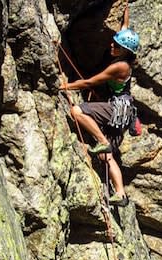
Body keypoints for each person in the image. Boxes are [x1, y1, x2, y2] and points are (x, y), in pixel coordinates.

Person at [59, 4, 139, 206]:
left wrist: (66, 86)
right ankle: (121, 194)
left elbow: (89, 82)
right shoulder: (125, 59)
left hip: (117, 108)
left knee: (77, 111)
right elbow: (125, 26)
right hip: (123, 112)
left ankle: (101, 139)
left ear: (124, 51)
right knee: (107, 156)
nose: (111, 46)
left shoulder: (119, 67)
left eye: (116, 46)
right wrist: (126, 9)